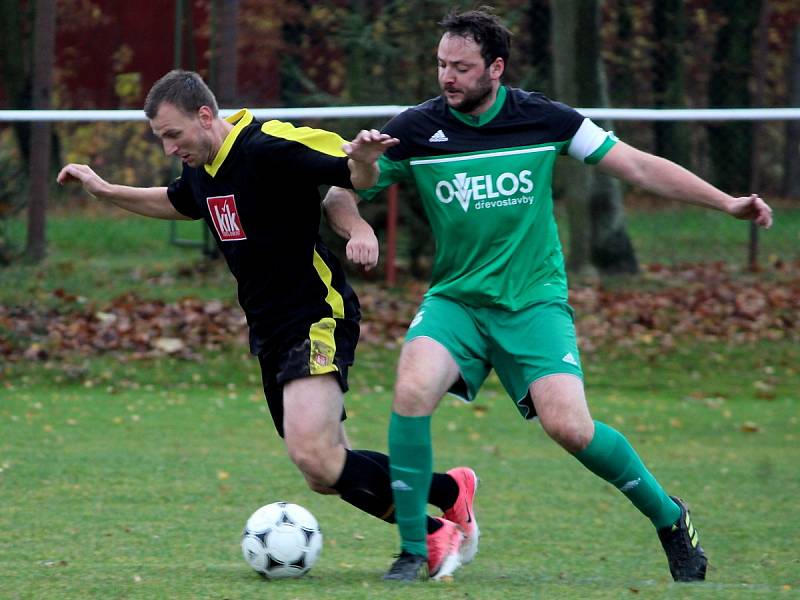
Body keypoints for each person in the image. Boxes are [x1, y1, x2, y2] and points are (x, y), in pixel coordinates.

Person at [322, 9, 774, 583]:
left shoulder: (545, 119)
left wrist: (727, 202)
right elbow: (341, 188)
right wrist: (358, 225)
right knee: (411, 389)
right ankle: (417, 547)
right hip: (457, 301)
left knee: (570, 428)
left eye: (461, 67)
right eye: (441, 65)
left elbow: (636, 165)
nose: (447, 78)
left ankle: (669, 518)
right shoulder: (416, 128)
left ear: (496, 67)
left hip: (533, 303)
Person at [57, 69, 479, 580]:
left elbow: (355, 172)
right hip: (271, 331)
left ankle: (433, 535)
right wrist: (104, 190)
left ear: (206, 116)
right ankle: (449, 491)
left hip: (316, 315)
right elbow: (175, 202)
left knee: (315, 456)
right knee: (324, 471)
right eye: (161, 138)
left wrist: (363, 177)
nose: (170, 148)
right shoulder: (202, 167)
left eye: (173, 134)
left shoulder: (271, 144)